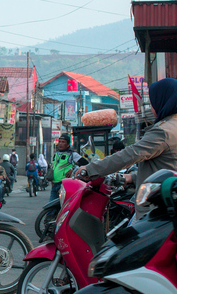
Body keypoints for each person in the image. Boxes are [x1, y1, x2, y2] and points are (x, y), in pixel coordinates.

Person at [76, 78, 177, 219]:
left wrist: (90, 169)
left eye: (152, 102)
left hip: (157, 210)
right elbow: (168, 166)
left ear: (162, 100)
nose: (150, 108)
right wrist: (133, 177)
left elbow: (130, 155)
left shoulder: (163, 131)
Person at [48, 134, 88, 202]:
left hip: (64, 185)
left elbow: (85, 163)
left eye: (63, 142)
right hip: (55, 184)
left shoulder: (72, 154)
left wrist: (72, 169)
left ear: (68, 144)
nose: (60, 144)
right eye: (59, 141)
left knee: (63, 207)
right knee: (51, 207)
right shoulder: (56, 154)